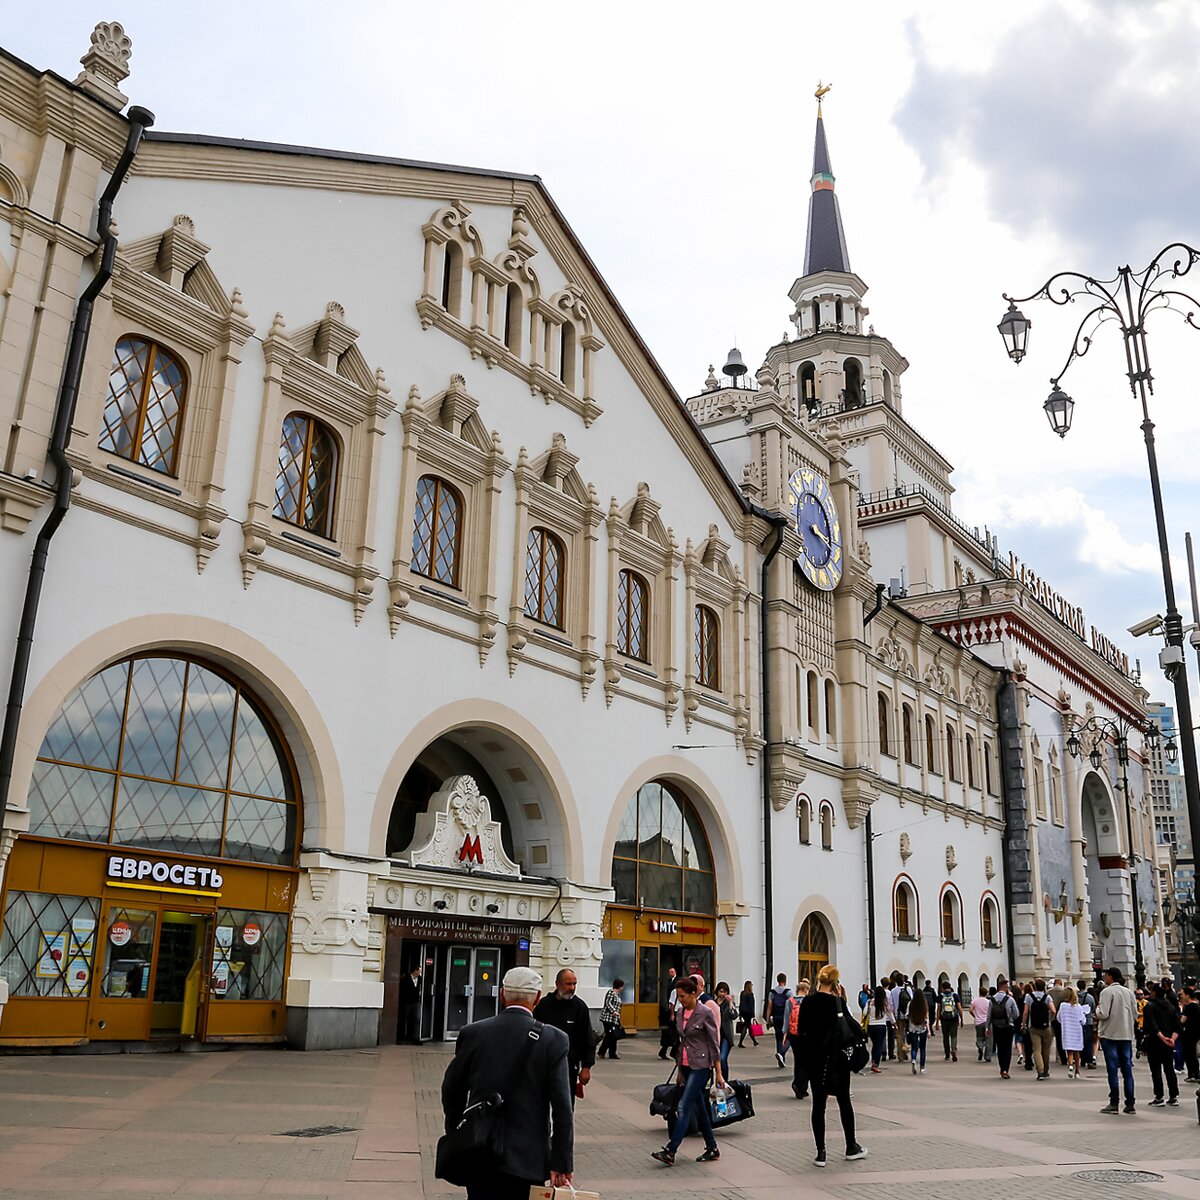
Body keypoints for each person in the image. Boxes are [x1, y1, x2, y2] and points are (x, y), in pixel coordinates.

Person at [441, 966, 573, 1200]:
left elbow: (451, 1089)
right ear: (538, 998)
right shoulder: (554, 1040)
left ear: (502, 994)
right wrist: (561, 1162)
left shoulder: (473, 1033)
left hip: (479, 1149)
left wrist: (456, 1130)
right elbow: (563, 1108)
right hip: (529, 1157)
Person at [794, 964, 867, 1168]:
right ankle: (851, 1146)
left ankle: (821, 1153)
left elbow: (801, 1031)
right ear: (835, 983)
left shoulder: (807, 1002)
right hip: (837, 1061)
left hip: (815, 1061)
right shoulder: (837, 1003)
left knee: (819, 1104)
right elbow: (852, 1028)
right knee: (844, 1101)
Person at [650, 976, 724, 1166]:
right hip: (685, 1065)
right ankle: (712, 1147)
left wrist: (719, 1073)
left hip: (701, 1066)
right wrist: (680, 1070)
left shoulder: (705, 1012)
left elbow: (714, 1044)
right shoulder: (681, 1012)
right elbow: (682, 1042)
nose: (680, 1000)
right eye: (678, 996)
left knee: (684, 1106)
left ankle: (671, 1150)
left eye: (683, 996)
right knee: (699, 1108)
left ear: (693, 994)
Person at [533, 968, 595, 1107]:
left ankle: (564, 1129)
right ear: (557, 984)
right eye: (568, 984)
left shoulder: (580, 1007)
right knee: (539, 1106)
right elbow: (533, 1034)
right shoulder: (544, 1005)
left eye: (574, 984)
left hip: (568, 1067)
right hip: (544, 1066)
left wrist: (586, 1067)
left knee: (565, 1106)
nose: (572, 988)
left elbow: (587, 1038)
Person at [1096, 965, 1138, 1114]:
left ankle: (1114, 1102)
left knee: (1112, 1069)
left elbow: (1104, 1013)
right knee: (1127, 1070)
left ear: (1111, 977)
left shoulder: (1106, 992)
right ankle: (1130, 1103)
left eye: (1106, 975)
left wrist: (1096, 1011)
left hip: (1110, 1035)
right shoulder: (1129, 992)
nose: (1104, 977)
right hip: (1126, 1034)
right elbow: (1135, 1013)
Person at [1142, 980, 1182, 1106]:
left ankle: (1159, 1096)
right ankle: (1173, 1096)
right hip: (1169, 1042)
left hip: (1155, 1041)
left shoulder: (1149, 1006)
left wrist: (1161, 1036)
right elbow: (1177, 1025)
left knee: (1156, 1069)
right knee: (1169, 1068)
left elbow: (1152, 1024)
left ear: (1153, 993)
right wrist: (1172, 1039)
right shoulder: (1170, 1006)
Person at [1022, 978, 1056, 1080]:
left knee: (1037, 1049)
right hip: (1046, 1027)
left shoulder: (1029, 997)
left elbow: (1025, 1012)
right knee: (1046, 1050)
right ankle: (1046, 1070)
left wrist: (1024, 1024)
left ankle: (1040, 1071)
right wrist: (1050, 1019)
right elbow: (1053, 1010)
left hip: (1033, 1026)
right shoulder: (1047, 997)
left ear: (1035, 986)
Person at [988, 978, 1020, 1079]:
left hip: (996, 1027)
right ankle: (1006, 1069)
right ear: (1005, 987)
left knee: (1000, 1048)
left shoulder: (992, 999)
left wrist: (987, 1028)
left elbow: (988, 1015)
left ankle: (1002, 1068)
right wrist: (1010, 1019)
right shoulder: (1010, 999)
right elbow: (1016, 1014)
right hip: (1008, 1027)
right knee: (1007, 1049)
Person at [786, 979, 811, 1098]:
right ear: (805, 990)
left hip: (793, 1034)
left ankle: (799, 1085)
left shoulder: (789, 1001)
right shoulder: (808, 1001)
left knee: (798, 1059)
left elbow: (786, 1019)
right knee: (806, 1061)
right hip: (805, 1034)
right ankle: (801, 1086)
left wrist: (785, 1034)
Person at [1057, 986, 1085, 1079]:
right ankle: (1077, 1070)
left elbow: (1059, 1018)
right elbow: (1082, 1020)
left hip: (1067, 1030)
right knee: (1077, 1052)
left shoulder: (1062, 1006)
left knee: (1069, 1051)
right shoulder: (1078, 1007)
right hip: (1076, 1031)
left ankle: (1070, 1065)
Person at [765, 972, 793, 1067]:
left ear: (777, 980)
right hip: (786, 1017)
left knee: (778, 1037)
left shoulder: (772, 992)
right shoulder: (788, 992)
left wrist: (768, 1019)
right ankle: (781, 1054)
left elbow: (769, 1006)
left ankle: (780, 1058)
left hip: (776, 1017)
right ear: (785, 980)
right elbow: (792, 1005)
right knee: (788, 1037)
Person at [935, 980, 963, 1062]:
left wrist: (937, 1022)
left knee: (945, 1037)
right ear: (950, 987)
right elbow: (960, 1008)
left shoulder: (940, 996)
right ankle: (953, 1049)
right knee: (954, 1036)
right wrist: (962, 1019)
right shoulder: (955, 995)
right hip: (954, 1019)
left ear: (942, 988)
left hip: (944, 1020)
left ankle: (947, 1054)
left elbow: (938, 1009)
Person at [597, 978, 625, 1060]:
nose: (622, 988)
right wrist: (613, 1011)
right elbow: (607, 1003)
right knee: (609, 1035)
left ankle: (612, 1053)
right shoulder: (611, 992)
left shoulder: (617, 995)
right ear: (619, 986)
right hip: (607, 1018)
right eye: (622, 986)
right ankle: (602, 1052)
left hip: (614, 1019)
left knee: (613, 1036)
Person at [714, 981, 736, 1080]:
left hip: (726, 1035)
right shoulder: (713, 1003)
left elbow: (734, 1015)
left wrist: (731, 1003)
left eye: (725, 992)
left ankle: (725, 1080)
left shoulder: (728, 1004)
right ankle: (719, 1078)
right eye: (721, 991)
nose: (723, 994)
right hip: (715, 1036)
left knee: (722, 1058)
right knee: (715, 1060)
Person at [905, 985, 929, 1074]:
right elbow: (926, 1019)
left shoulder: (910, 1004)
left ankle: (914, 1060)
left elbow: (906, 1016)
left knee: (914, 1047)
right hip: (922, 1028)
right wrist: (929, 1030)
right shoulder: (924, 1005)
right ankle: (922, 1067)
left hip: (912, 1028)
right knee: (923, 1048)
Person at [867, 985, 890, 1073]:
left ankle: (873, 1061)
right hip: (881, 1026)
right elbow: (889, 1013)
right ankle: (875, 1064)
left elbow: (865, 1012)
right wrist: (894, 1022)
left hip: (871, 1026)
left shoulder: (870, 1002)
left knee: (875, 1044)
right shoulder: (884, 1003)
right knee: (879, 1045)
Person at [1180, 985, 1200, 1082]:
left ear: (1187, 995)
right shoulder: (1195, 1005)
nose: (1181, 996)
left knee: (1189, 1053)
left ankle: (1193, 1073)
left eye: (1182, 994)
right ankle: (1195, 1073)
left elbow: (1182, 1020)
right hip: (1194, 1033)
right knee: (1191, 1053)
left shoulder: (1190, 1007)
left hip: (1190, 1033)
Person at [658, 967, 679, 1060]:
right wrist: (672, 1014)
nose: (670, 973)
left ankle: (667, 1051)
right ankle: (670, 1051)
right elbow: (672, 1003)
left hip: (680, 1012)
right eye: (669, 972)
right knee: (673, 1033)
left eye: (672, 972)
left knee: (674, 1033)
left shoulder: (678, 985)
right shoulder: (674, 990)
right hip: (675, 1012)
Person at [398, 964, 422, 1044]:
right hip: (407, 1002)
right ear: (415, 971)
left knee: (417, 1019)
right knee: (403, 1019)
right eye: (419, 970)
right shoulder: (406, 979)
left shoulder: (420, 979)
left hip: (416, 1002)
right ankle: (401, 1037)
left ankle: (415, 1038)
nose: (420, 972)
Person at [969, 986, 993, 1063]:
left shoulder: (975, 1001)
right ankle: (988, 1057)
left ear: (979, 992)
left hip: (978, 1022)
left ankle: (980, 1046)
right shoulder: (988, 1002)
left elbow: (970, 1010)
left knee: (979, 1037)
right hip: (987, 1022)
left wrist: (975, 1016)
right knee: (988, 1039)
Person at [1077, 979, 1097, 1069]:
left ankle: (1082, 1059)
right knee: (1089, 1041)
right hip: (1088, 1021)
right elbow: (1093, 1008)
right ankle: (1089, 1060)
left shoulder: (1075, 997)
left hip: (1078, 1021)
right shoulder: (1089, 997)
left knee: (1080, 1040)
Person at [894, 977, 913, 1062]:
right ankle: (906, 1049)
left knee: (899, 1035)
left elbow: (892, 1003)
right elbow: (911, 1000)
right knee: (909, 1032)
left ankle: (900, 1055)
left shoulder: (893, 991)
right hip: (907, 1015)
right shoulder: (908, 989)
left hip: (897, 1015)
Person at [737, 980, 758, 1047]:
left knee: (748, 1026)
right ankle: (741, 1042)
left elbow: (741, 1003)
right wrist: (753, 1015)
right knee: (746, 1027)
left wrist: (740, 1014)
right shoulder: (750, 994)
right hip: (748, 1012)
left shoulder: (742, 993)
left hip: (743, 1012)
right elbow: (751, 1005)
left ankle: (754, 1041)